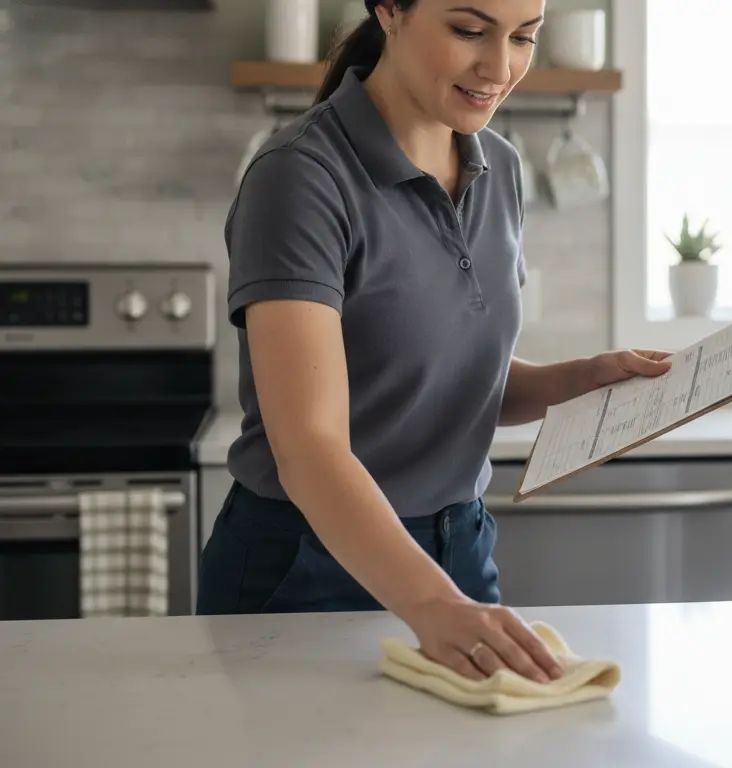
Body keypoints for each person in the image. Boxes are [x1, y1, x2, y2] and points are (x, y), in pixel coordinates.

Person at [196, 0, 671, 686]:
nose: (500, 67)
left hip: (461, 550)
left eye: (524, 37)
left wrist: (580, 378)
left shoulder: (499, 168)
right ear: (389, 9)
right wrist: (436, 605)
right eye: (469, 31)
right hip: (306, 562)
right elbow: (309, 449)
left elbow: (443, 378)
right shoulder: (300, 177)